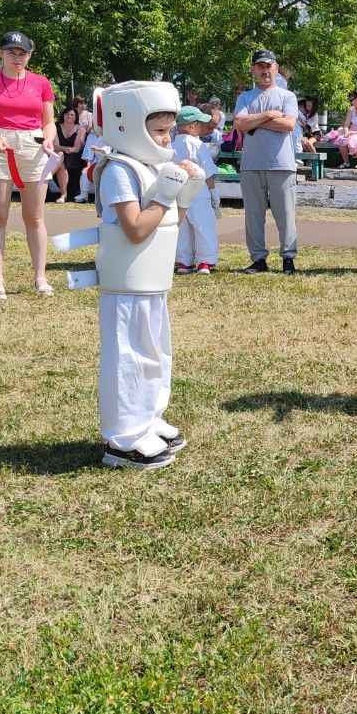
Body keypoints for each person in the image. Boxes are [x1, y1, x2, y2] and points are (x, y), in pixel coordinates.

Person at [89, 80, 207, 469]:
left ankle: (148, 418)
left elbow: (170, 222)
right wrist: (166, 193)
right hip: (126, 288)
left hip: (152, 283)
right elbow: (136, 228)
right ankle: (123, 439)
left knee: (155, 353)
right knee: (128, 357)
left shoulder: (151, 166)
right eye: (159, 130)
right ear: (127, 125)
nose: (167, 137)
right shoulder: (119, 169)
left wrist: (184, 192)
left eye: (170, 129)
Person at [0, 31, 59, 299]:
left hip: (33, 146)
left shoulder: (41, 82)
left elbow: (49, 122)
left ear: (29, 55)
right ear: (1, 53)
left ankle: (40, 277)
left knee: (35, 216)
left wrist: (49, 141)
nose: (16, 58)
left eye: (22, 53)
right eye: (11, 53)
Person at [233, 49, 300, 274]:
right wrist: (270, 115)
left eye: (268, 65)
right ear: (253, 69)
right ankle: (258, 259)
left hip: (282, 164)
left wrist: (254, 122)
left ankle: (288, 258)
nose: (264, 70)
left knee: (285, 215)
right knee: (253, 215)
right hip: (251, 164)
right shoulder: (245, 97)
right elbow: (240, 123)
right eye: (260, 66)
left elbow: (289, 125)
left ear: (276, 68)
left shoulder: (287, 96)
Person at [171, 106, 221, 274]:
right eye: (200, 125)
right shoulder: (198, 145)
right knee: (203, 227)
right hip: (199, 193)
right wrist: (214, 194)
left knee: (182, 229)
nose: (203, 128)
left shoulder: (171, 145)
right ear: (192, 127)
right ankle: (205, 261)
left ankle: (184, 262)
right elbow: (208, 173)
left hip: (178, 194)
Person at [54, 106, 86, 203]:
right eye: (67, 114)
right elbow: (55, 146)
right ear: (63, 115)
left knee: (61, 159)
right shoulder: (56, 126)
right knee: (60, 157)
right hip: (59, 152)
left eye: (72, 114)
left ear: (76, 117)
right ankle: (63, 194)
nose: (69, 116)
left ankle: (63, 194)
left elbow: (76, 148)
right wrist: (64, 149)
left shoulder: (81, 129)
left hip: (74, 155)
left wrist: (67, 150)